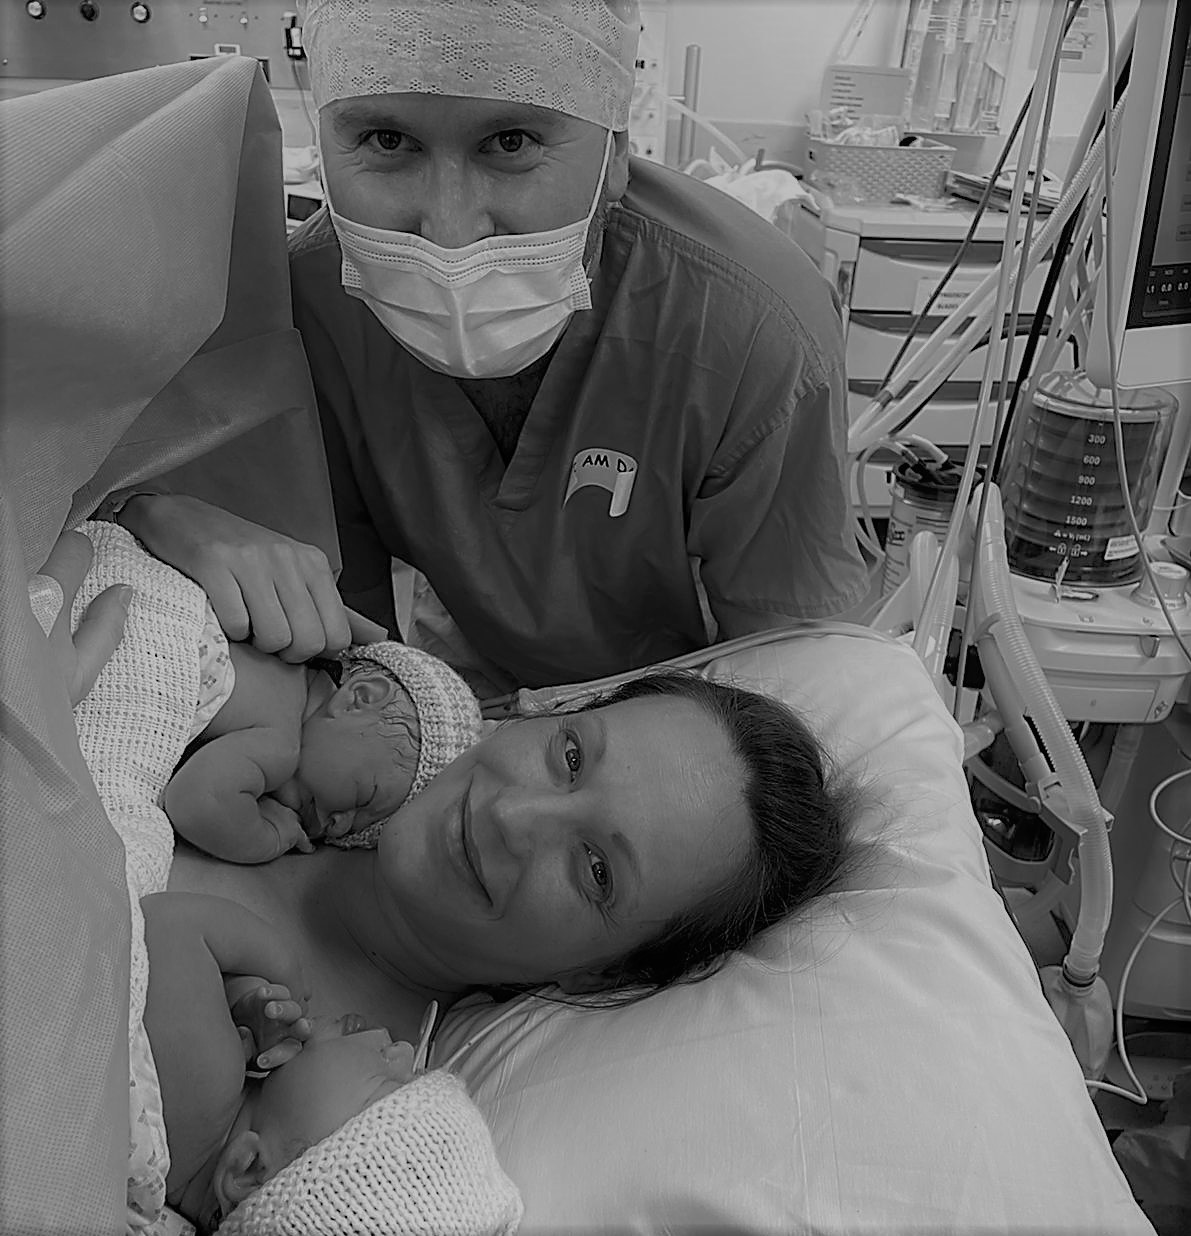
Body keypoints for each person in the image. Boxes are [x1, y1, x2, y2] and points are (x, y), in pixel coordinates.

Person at [113, 0, 868, 696]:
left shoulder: (751, 328)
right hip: (466, 675)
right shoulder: (306, 309)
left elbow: (791, 686)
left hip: (696, 700)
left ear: (613, 156)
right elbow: (335, 646)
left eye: (511, 142)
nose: (450, 232)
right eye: (386, 141)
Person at [71, 519, 481, 864]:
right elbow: (197, 802)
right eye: (365, 799)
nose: (339, 826)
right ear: (361, 698)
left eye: (355, 831)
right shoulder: (280, 743)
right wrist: (267, 836)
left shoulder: (271, 641)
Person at [140, 889, 523, 1235]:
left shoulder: (208, 1087)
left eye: (392, 1086)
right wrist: (235, 999)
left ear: (250, 1168)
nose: (404, 1050)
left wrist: (281, 965)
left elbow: (169, 926)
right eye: (418, 1070)